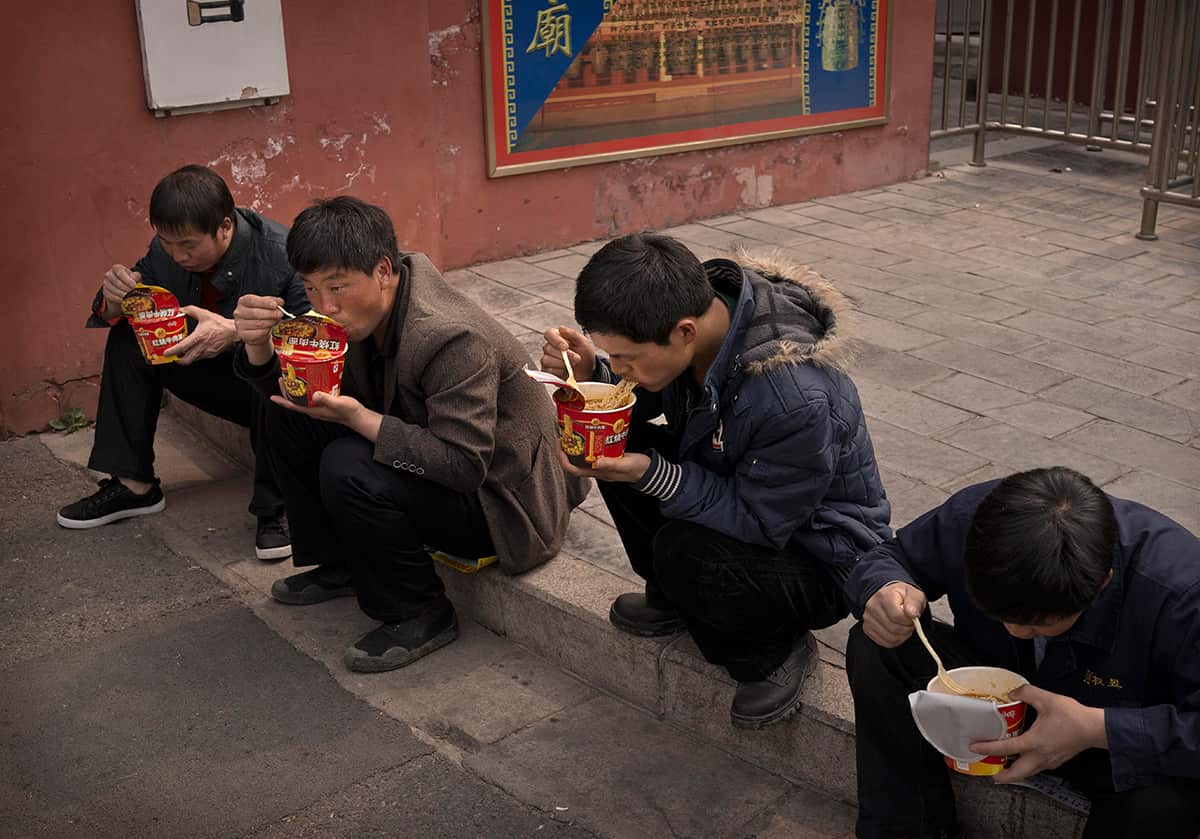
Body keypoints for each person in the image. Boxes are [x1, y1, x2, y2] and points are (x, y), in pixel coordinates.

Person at [541, 233, 891, 729]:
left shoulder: (795, 396)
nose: (622, 370)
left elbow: (760, 520)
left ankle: (774, 649)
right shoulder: (694, 317)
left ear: (684, 332)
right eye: (612, 356)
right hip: (745, 496)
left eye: (626, 358)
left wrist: (653, 473)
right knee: (612, 447)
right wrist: (589, 370)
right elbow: (648, 397)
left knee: (683, 546)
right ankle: (673, 597)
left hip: (816, 554)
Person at [232, 196, 585, 672]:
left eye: (337, 287)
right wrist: (257, 348)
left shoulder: (450, 337)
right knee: (290, 415)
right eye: (310, 289)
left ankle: (419, 610)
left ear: (382, 270)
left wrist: (358, 419)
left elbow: (463, 466)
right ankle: (341, 565)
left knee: (348, 465)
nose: (325, 306)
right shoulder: (359, 313)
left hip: (502, 502)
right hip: (438, 460)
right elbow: (299, 390)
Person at [844, 467, 1200, 839]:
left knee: (1165, 802)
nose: (1014, 630)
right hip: (991, 708)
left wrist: (1101, 728)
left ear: (1102, 583)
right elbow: (891, 557)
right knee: (879, 643)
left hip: (1107, 744)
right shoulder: (979, 521)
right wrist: (885, 587)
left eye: (1037, 624)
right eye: (997, 614)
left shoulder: (1182, 593)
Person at [57, 164, 307, 560]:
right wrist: (115, 301)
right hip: (207, 371)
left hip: (274, 391)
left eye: (188, 245)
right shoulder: (165, 251)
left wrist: (239, 333)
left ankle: (278, 510)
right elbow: (121, 308)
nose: (177, 255)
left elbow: (312, 343)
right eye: (168, 243)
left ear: (225, 227)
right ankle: (133, 485)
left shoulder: (283, 254)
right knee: (130, 334)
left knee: (269, 364)